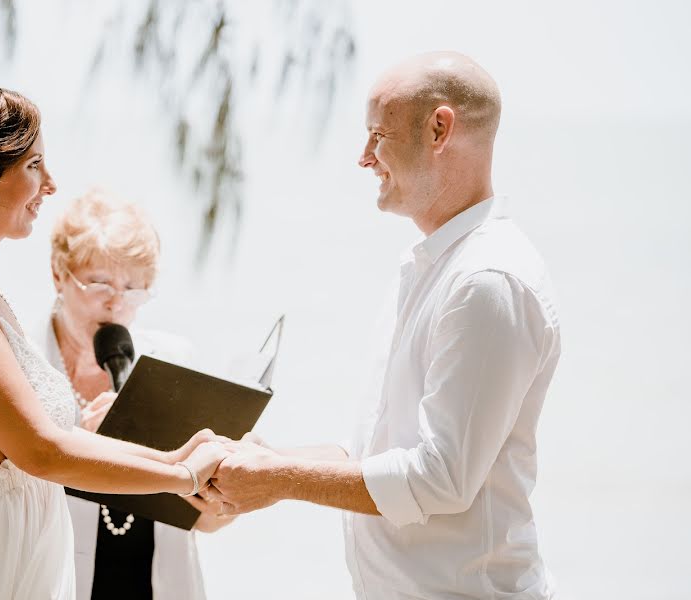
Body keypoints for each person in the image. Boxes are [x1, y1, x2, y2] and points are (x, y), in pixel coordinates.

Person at [0, 70, 226, 600]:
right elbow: (41, 450)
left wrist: (173, 460)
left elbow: (50, 441)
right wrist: (182, 477)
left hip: (8, 563)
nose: (50, 184)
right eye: (33, 165)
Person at [207, 52, 561, 599]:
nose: (364, 158)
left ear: (439, 129)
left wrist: (277, 480)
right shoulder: (432, 267)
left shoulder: (486, 281)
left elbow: (440, 479)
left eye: (378, 134)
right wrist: (267, 459)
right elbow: (380, 455)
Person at [41, 189, 234, 600]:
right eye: (99, 283)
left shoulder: (175, 360)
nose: (116, 303)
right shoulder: (24, 364)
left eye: (134, 288)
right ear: (59, 274)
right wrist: (92, 445)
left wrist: (222, 493)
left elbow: (207, 520)